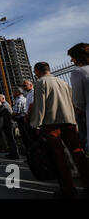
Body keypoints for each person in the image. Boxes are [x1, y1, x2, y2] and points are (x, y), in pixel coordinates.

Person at [30, 61, 89, 198]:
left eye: (35, 72)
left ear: (38, 71)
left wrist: (37, 125)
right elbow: (73, 102)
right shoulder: (63, 82)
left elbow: (40, 106)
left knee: (60, 157)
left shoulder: (40, 82)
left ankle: (69, 190)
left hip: (52, 123)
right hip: (69, 121)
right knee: (78, 154)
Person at [68, 43, 89, 152]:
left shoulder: (78, 72)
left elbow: (79, 101)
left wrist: (78, 108)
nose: (72, 61)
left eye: (72, 57)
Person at [0, 94, 20, 159]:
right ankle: (12, 153)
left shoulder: (4, 105)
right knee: (9, 139)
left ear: (3, 98)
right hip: (7, 124)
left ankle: (15, 154)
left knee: (11, 139)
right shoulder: (3, 105)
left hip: (9, 124)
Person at [12, 87, 31, 151]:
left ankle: (29, 153)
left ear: (17, 93)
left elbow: (17, 112)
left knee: (25, 137)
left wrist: (12, 116)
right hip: (26, 119)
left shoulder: (18, 100)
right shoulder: (25, 99)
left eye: (14, 92)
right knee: (28, 136)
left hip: (21, 120)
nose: (13, 93)